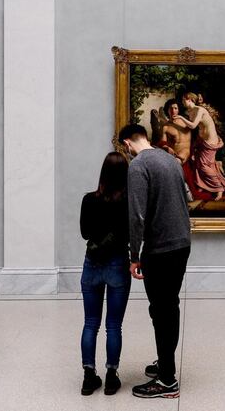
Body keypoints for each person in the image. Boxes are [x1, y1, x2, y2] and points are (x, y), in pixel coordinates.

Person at [118, 124, 191, 399]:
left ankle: (167, 381)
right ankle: (165, 363)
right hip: (181, 243)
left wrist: (133, 256)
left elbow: (136, 215)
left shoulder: (138, 166)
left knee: (161, 310)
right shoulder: (169, 160)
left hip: (160, 249)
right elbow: (187, 197)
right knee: (169, 307)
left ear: (127, 143)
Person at [78, 152, 132, 396]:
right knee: (113, 325)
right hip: (118, 264)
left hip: (92, 264)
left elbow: (85, 233)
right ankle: (112, 376)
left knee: (90, 323)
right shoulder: (128, 202)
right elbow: (130, 234)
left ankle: (89, 376)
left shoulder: (89, 200)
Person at [173, 92, 225, 201]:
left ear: (190, 99)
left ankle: (219, 189)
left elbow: (193, 125)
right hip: (201, 140)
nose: (182, 102)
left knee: (204, 166)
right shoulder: (190, 111)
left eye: (183, 100)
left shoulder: (200, 110)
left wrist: (181, 117)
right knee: (197, 163)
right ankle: (204, 185)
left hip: (210, 141)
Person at [156, 99, 192, 164]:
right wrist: (167, 147)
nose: (173, 111)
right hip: (176, 158)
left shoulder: (187, 122)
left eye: (175, 108)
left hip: (189, 157)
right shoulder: (165, 127)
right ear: (167, 110)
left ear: (179, 110)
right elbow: (163, 143)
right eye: (171, 108)